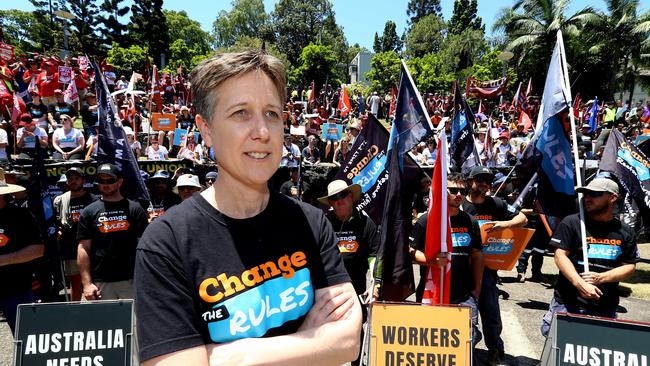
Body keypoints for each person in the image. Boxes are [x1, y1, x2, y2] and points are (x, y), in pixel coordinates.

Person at [135, 50, 361, 365]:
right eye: (241, 112)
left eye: (272, 113)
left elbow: (348, 340)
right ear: (206, 128)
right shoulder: (166, 243)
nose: (263, 132)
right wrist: (310, 341)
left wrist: (224, 356)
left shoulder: (311, 223)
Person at [540, 178, 639, 336]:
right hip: (568, 303)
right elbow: (560, 255)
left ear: (612, 197)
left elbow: (629, 266)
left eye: (594, 194)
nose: (587, 198)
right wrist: (580, 284)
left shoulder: (625, 231)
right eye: (586, 194)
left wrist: (601, 278)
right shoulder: (572, 222)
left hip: (605, 307)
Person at [462, 166, 527, 366]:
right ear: (469, 182)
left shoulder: (497, 204)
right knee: (462, 312)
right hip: (461, 269)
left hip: (488, 270)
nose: (484, 183)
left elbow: (522, 218)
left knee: (490, 312)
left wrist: (503, 225)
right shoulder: (461, 205)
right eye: (479, 179)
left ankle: (496, 350)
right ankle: (464, 346)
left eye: (488, 180)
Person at [410, 173, 484, 346]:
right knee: (429, 343)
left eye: (462, 190)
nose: (458, 194)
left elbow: (477, 255)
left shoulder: (470, 221)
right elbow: (411, 251)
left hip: (463, 296)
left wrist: (477, 290)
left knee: (465, 344)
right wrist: (432, 261)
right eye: (453, 190)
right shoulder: (427, 220)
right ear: (442, 192)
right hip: (432, 294)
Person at [319, 180, 378, 366]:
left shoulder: (365, 223)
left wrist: (375, 283)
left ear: (351, 196)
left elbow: (374, 255)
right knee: (328, 337)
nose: (339, 201)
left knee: (355, 335)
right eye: (333, 198)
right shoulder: (324, 224)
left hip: (357, 291)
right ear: (330, 203)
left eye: (342, 195)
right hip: (328, 294)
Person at [77, 163, 148, 301]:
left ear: (120, 182)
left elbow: (143, 246)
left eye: (110, 180)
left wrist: (145, 278)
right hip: (100, 282)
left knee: (133, 322)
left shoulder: (135, 209)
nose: (105, 184)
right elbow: (83, 248)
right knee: (104, 322)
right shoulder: (89, 212)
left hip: (131, 280)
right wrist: (86, 283)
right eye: (101, 181)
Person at [0, 169, 45, 335]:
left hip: (16, 288)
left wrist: (3, 260)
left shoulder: (20, 215)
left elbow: (38, 250)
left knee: (25, 338)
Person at [53, 167, 96, 301]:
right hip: (69, 247)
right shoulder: (60, 201)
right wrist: (58, 231)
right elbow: (55, 222)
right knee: (75, 283)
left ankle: (98, 311)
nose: (73, 181)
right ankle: (75, 312)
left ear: (83, 180)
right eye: (70, 179)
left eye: (76, 178)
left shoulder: (92, 199)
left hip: (90, 247)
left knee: (93, 282)